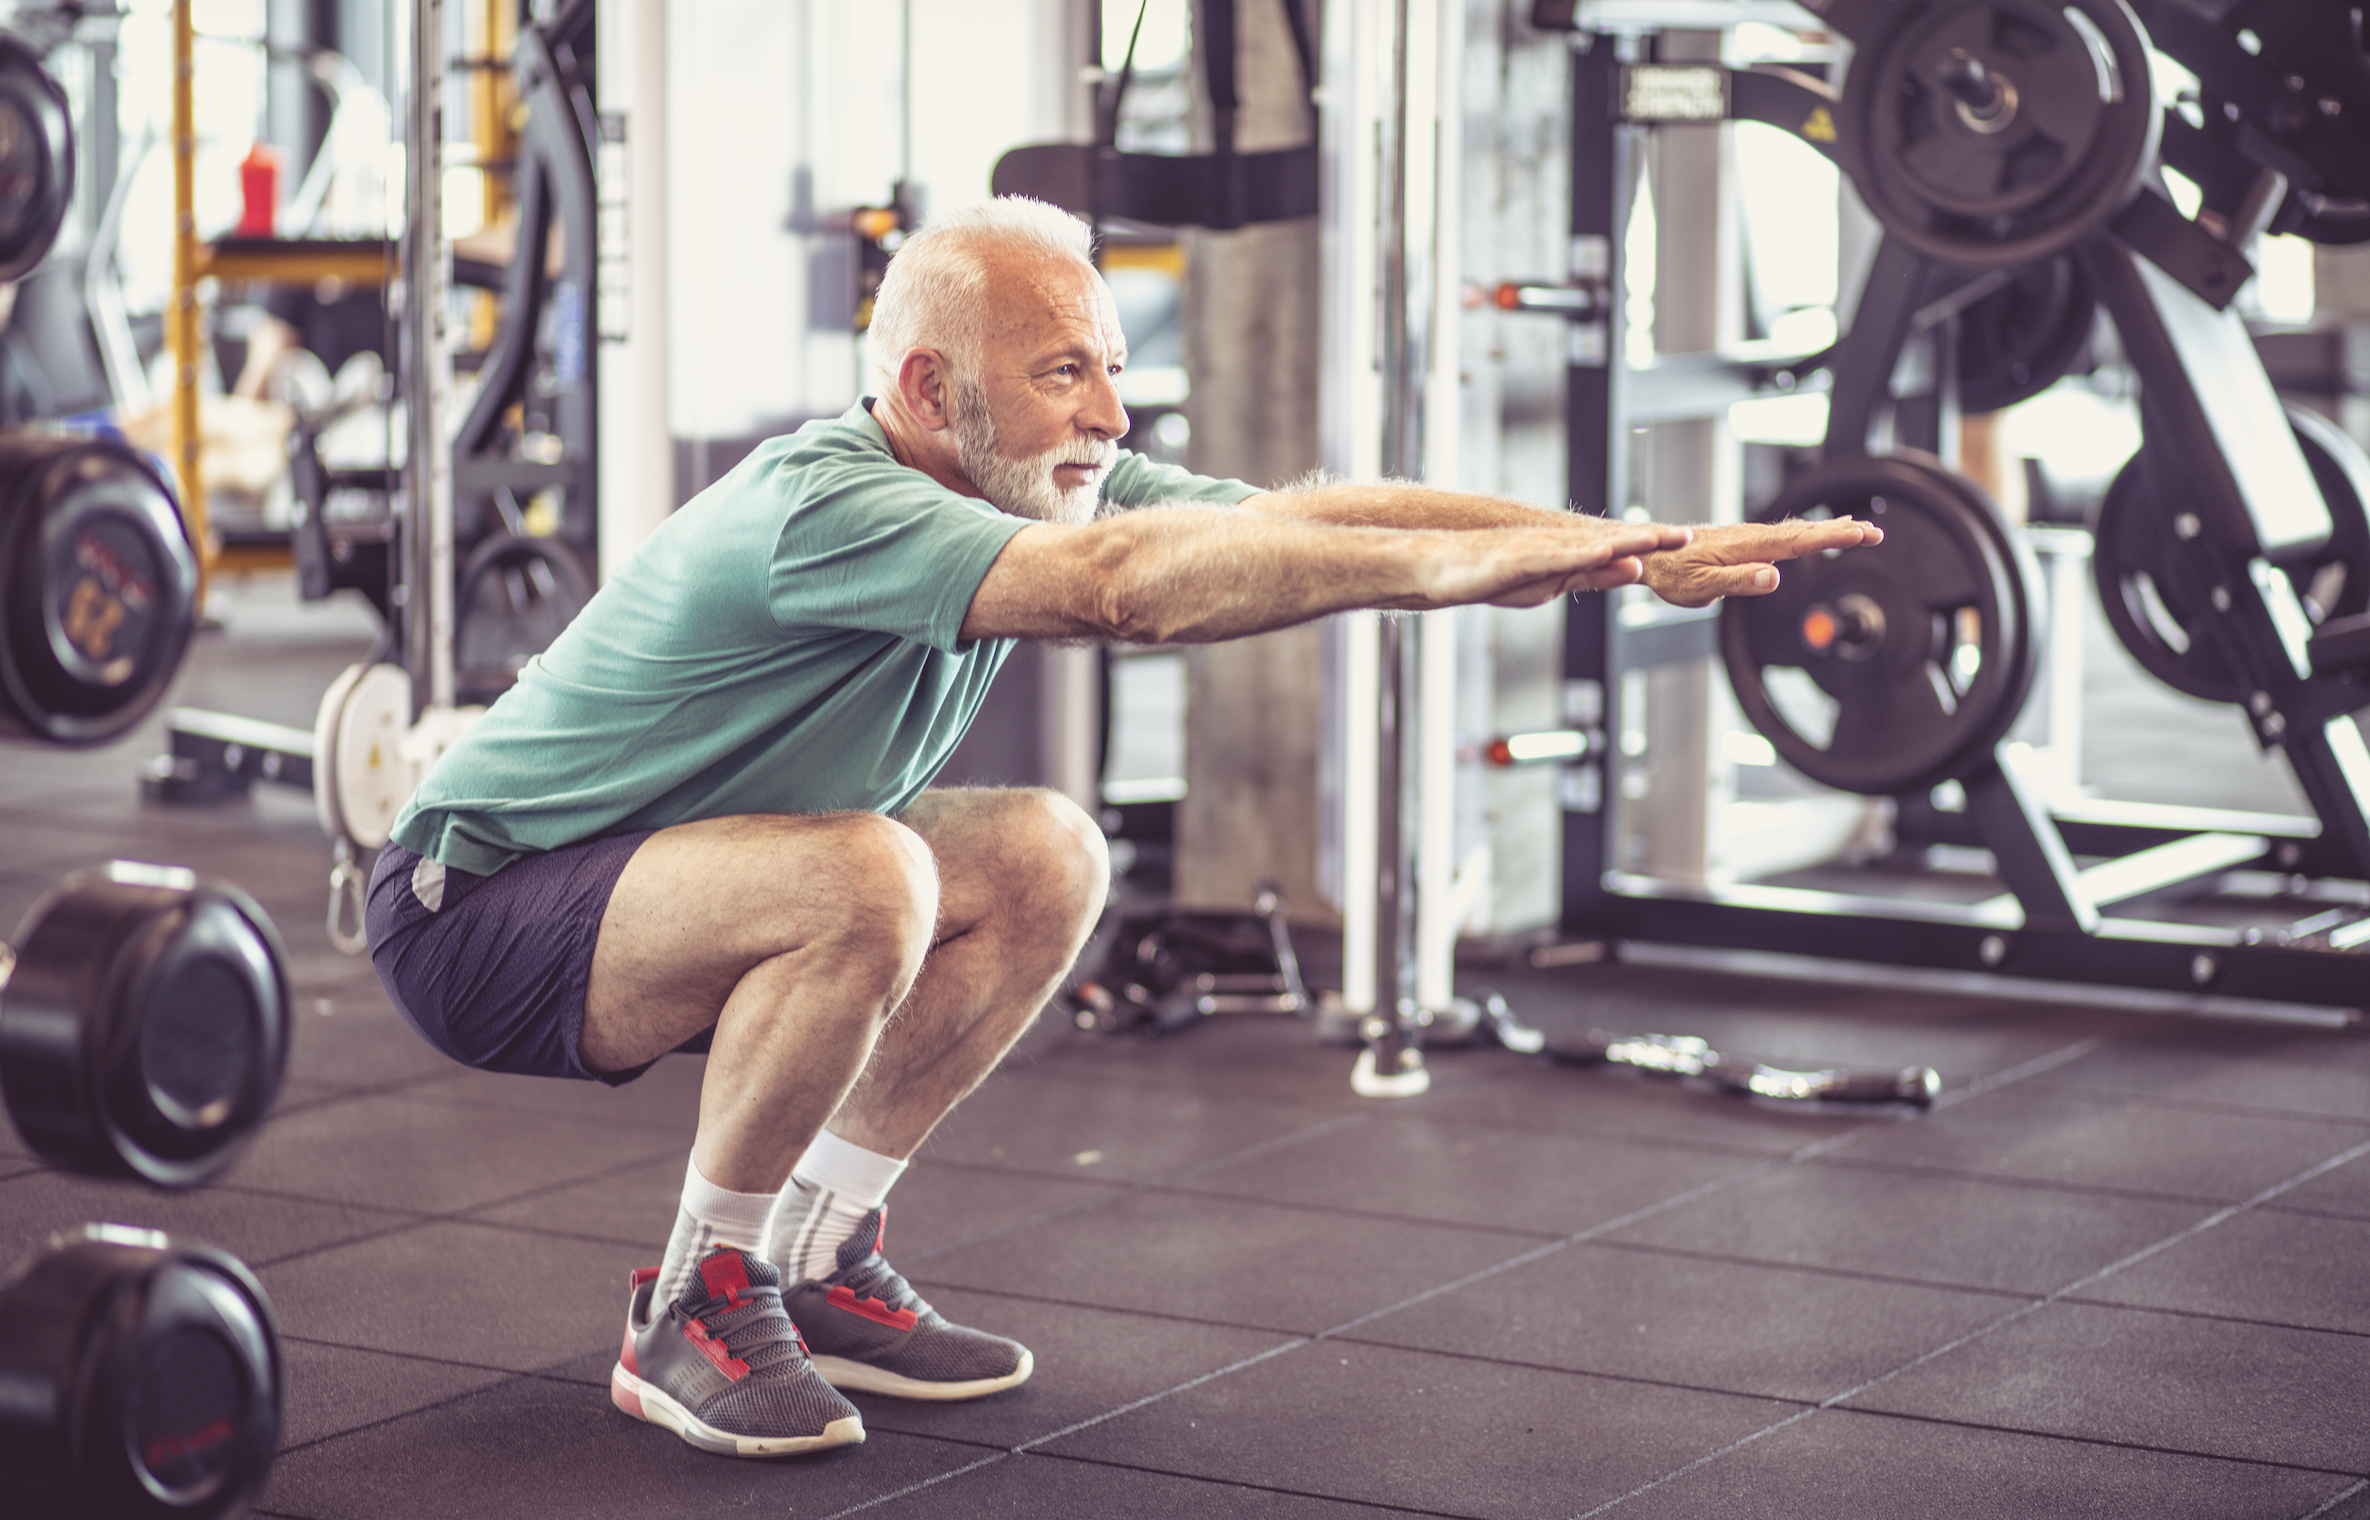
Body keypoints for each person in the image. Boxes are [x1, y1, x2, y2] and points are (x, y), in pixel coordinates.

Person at [364, 196, 1879, 1461]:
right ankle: (693, 1302)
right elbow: (1126, 591)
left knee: (1042, 851)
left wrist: (1622, 550)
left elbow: (1304, 525)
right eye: (1060, 373)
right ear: (927, 396)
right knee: (869, 872)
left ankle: (813, 1254)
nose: (1109, 410)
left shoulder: (1041, 472)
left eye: (1106, 366)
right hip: (481, 910)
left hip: (680, 880)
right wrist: (1453, 580)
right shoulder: (825, 505)